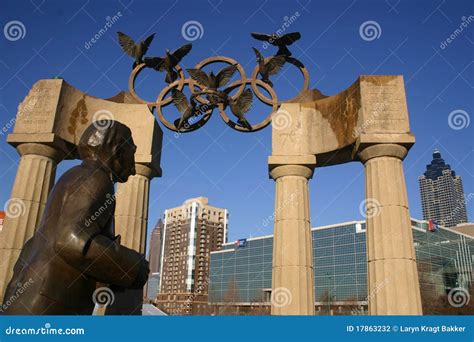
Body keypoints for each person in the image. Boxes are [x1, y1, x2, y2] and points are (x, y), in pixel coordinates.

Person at [1, 120, 149, 315]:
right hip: (50, 305)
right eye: (131, 155)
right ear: (116, 151)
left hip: (31, 298)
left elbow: (36, 243)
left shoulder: (72, 176)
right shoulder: (96, 178)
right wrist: (134, 267)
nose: (132, 168)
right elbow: (70, 241)